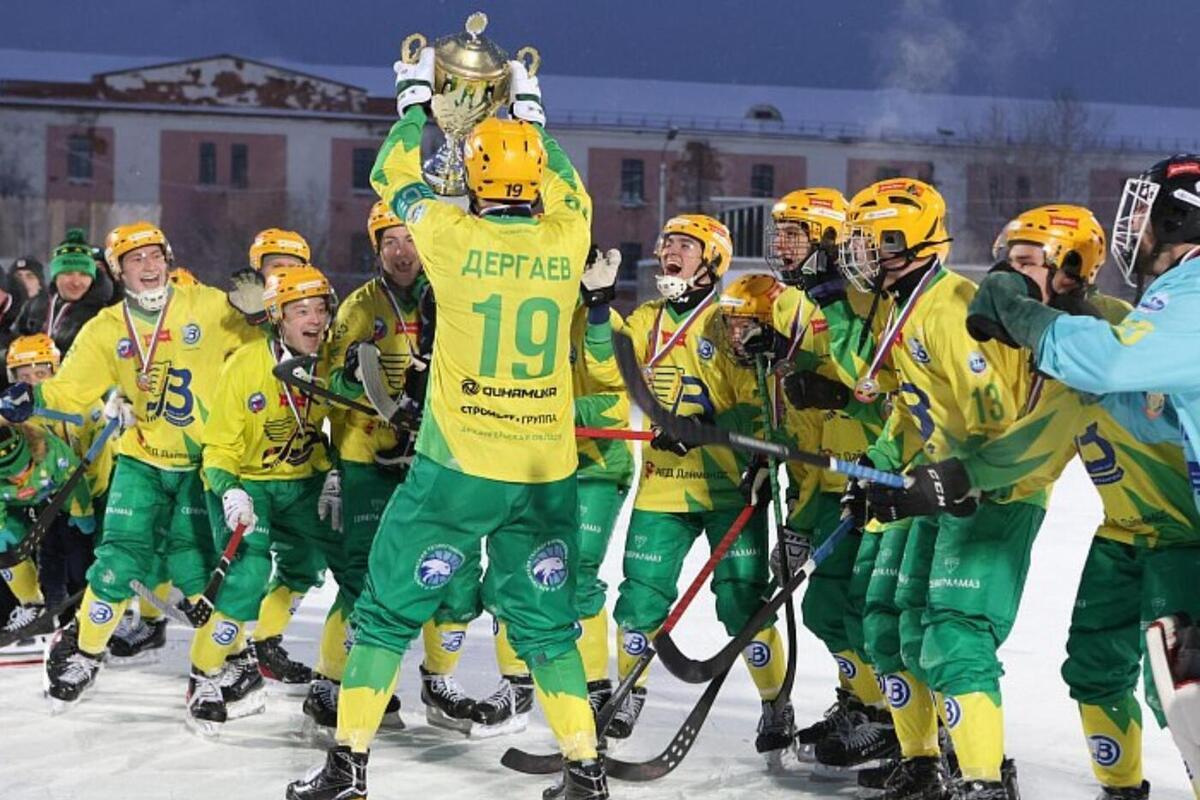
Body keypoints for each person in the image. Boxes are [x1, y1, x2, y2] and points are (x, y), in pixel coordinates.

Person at [288, 49, 602, 799]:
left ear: (476, 183)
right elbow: (568, 185)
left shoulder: (452, 241)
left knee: (388, 610)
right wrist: (529, 108)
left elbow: (394, 180)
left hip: (459, 467)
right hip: (545, 470)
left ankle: (348, 766)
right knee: (549, 627)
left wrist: (414, 102)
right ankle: (586, 772)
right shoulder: (569, 238)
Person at [966, 154, 1200, 796]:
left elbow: (1111, 372)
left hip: (1174, 537)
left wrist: (1033, 321)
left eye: (1149, 216)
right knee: (1160, 692)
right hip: (1128, 534)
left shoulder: (1187, 297)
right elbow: (1148, 413)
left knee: (1187, 700)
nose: (1137, 232)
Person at [811, 178, 1044, 799]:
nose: (856, 254)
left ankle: (985, 783)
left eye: (868, 242)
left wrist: (944, 482)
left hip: (991, 493)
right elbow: (907, 408)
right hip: (940, 484)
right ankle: (922, 762)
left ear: (905, 241)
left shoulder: (951, 310)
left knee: (954, 635)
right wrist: (876, 468)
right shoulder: (899, 305)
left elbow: (998, 428)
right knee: (896, 629)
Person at [0, 221, 260, 711]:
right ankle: (85, 653)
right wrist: (30, 396)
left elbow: (260, 340)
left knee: (197, 572)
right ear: (117, 271)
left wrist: (261, 309)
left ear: (168, 259)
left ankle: (228, 662)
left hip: (200, 463)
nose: (147, 267)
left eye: (154, 257)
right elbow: (71, 390)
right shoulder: (105, 328)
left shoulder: (203, 303)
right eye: (134, 260)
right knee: (117, 563)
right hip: (140, 461)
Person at [610, 215, 794, 762]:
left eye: (686, 246)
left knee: (742, 604)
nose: (671, 251)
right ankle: (628, 692)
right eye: (668, 242)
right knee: (640, 596)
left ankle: (774, 702)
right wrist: (592, 308)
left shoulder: (727, 320)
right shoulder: (644, 320)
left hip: (727, 489)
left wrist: (703, 428)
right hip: (662, 489)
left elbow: (757, 404)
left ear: (710, 260)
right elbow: (603, 360)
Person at [305, 200, 447, 733]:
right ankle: (330, 681)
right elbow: (333, 389)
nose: (402, 252)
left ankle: (439, 682)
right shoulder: (361, 307)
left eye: (410, 240)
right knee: (362, 577)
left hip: (430, 459)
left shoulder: (449, 297)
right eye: (390, 242)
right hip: (367, 460)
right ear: (377, 249)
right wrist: (359, 388)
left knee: (438, 569)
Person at [186, 264, 345, 735]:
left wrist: (336, 470)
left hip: (304, 481)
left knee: (314, 563)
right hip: (247, 481)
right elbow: (218, 448)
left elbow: (349, 425)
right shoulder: (247, 364)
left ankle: (275, 649)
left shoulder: (332, 361)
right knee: (246, 576)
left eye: (320, 308)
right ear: (278, 318)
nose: (314, 319)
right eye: (301, 310)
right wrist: (229, 489)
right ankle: (203, 675)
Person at [0, 423, 95, 658]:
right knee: (4, 550)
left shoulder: (53, 452)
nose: (18, 478)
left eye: (23, 469)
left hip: (55, 499)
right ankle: (33, 608)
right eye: (9, 475)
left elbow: (74, 479)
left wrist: (82, 512)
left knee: (76, 552)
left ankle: (87, 622)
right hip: (13, 506)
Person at [17, 229, 116, 356]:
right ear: (55, 276)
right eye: (68, 273)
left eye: (84, 274)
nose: (76, 282)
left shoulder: (103, 316)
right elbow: (14, 344)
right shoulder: (33, 306)